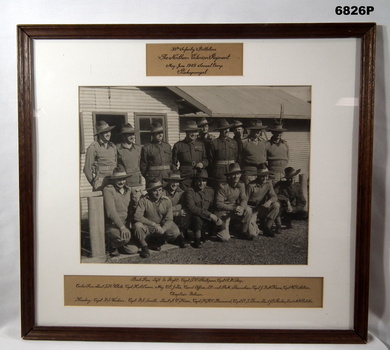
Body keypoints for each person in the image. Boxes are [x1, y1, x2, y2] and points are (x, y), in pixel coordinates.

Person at [133, 178, 187, 258]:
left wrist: (163, 229)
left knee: (175, 232)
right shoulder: (144, 200)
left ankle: (156, 241)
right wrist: (153, 224)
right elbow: (137, 216)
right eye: (155, 191)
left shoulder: (166, 200)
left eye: (160, 190)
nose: (158, 193)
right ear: (150, 191)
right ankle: (144, 247)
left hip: (160, 226)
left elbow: (169, 219)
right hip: (148, 226)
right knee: (137, 226)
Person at [103, 165, 139, 257]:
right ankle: (111, 245)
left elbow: (133, 209)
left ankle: (120, 245)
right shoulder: (108, 190)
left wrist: (136, 199)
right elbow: (110, 212)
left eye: (123, 179)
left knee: (133, 250)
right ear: (113, 180)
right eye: (118, 179)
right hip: (113, 225)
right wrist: (122, 227)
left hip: (125, 224)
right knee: (125, 238)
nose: (121, 182)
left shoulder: (129, 190)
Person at [183, 169, 223, 248]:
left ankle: (209, 233)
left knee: (223, 232)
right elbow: (192, 208)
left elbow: (212, 206)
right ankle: (197, 239)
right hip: (193, 220)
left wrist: (217, 215)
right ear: (195, 181)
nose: (201, 183)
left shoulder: (210, 191)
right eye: (199, 180)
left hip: (206, 219)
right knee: (197, 218)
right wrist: (209, 215)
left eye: (204, 181)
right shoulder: (190, 192)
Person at [214, 163, 252, 241]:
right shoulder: (223, 186)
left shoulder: (241, 185)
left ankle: (243, 231)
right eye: (233, 174)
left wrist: (241, 207)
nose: (236, 177)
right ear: (229, 176)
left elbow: (244, 198)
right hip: (224, 211)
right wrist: (233, 208)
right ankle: (218, 229)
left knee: (248, 210)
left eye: (238, 174)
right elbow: (218, 204)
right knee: (224, 238)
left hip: (235, 209)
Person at [116, 123, 144, 222]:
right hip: (124, 184)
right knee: (125, 209)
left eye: (133, 134)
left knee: (138, 208)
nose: (132, 136)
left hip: (137, 183)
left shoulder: (139, 149)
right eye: (129, 134)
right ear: (123, 136)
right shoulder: (117, 149)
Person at [172, 120, 208, 190]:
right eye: (190, 131)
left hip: (198, 176)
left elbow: (206, 159)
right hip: (185, 177)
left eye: (195, 131)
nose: (193, 134)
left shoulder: (201, 144)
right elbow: (173, 163)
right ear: (186, 132)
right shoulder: (178, 145)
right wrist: (177, 175)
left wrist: (202, 164)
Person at [246, 165, 280, 237]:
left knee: (276, 205)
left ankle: (266, 227)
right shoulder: (251, 186)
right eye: (262, 176)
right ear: (257, 176)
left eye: (266, 175)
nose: (265, 178)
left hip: (262, 208)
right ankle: (251, 225)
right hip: (252, 210)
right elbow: (244, 200)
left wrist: (269, 201)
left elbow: (274, 196)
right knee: (253, 234)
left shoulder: (268, 183)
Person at [83, 120, 117, 191]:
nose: (108, 134)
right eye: (105, 132)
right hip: (100, 182)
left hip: (113, 180)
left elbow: (115, 163)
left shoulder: (113, 146)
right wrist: (94, 182)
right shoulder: (93, 147)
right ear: (100, 134)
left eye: (109, 131)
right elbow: (87, 169)